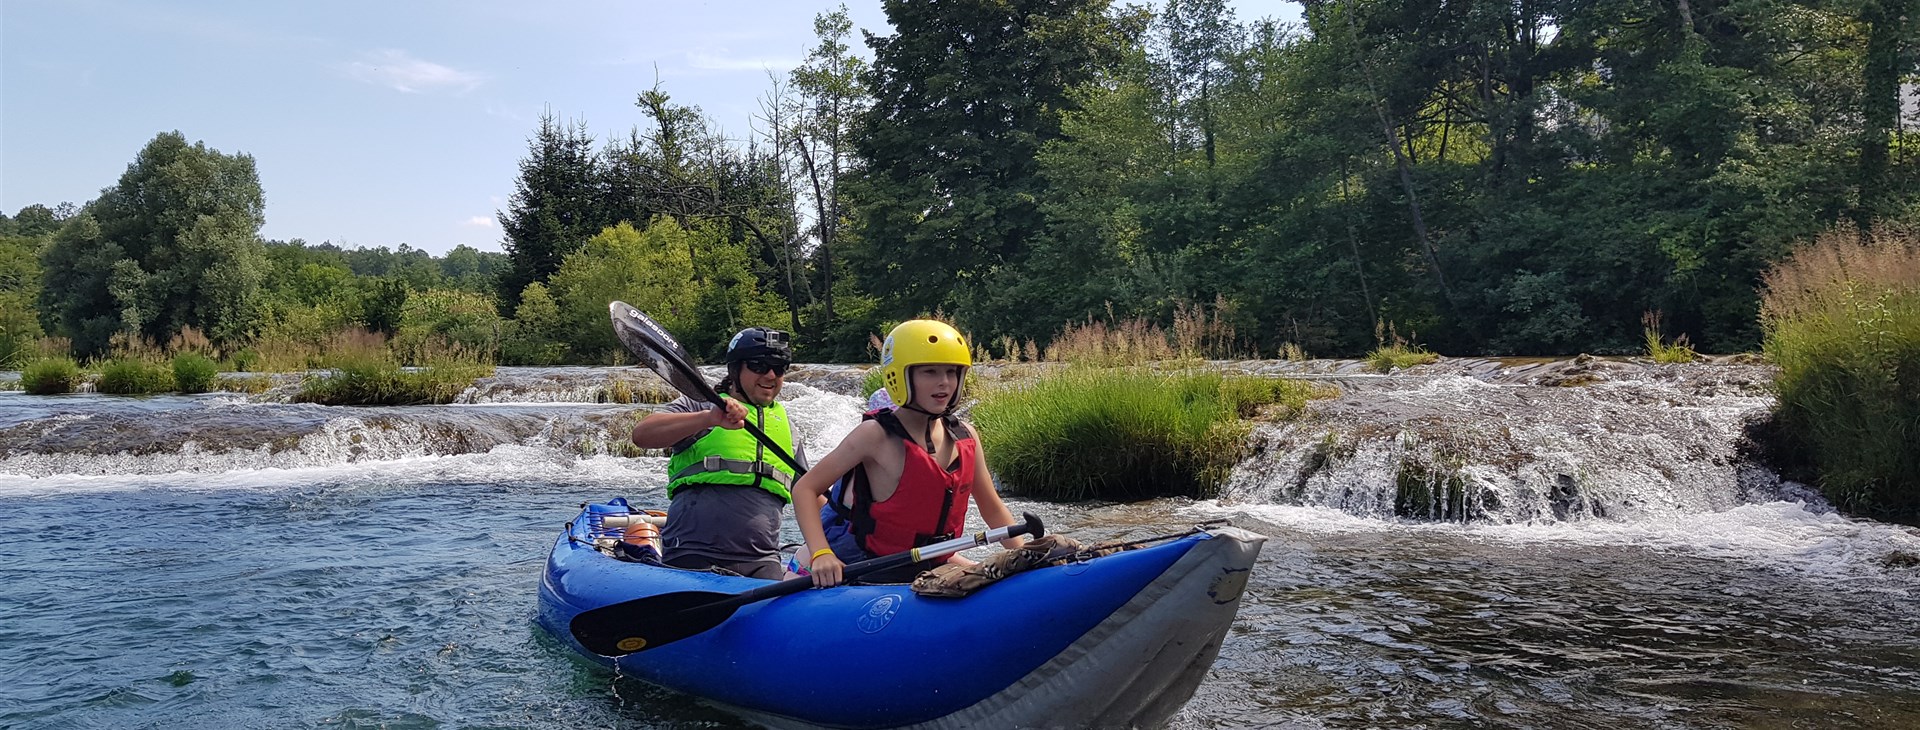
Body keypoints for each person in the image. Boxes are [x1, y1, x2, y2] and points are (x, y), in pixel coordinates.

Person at [792, 319, 1023, 586]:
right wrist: (821, 553)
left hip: (929, 560)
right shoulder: (874, 435)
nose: (944, 382)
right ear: (899, 376)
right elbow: (805, 489)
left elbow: (992, 508)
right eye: (930, 372)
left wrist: (1024, 555)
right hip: (863, 563)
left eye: (951, 372)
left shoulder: (966, 436)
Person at [630, 327, 805, 580]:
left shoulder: (788, 428)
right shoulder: (701, 406)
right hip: (691, 552)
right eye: (758, 365)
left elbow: (809, 493)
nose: (770, 375)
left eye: (779, 368)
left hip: (761, 560)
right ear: (734, 370)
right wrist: (708, 418)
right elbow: (642, 435)